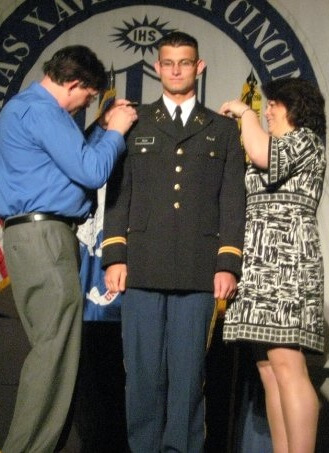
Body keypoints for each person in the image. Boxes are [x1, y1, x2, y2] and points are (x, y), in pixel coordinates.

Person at [102, 31, 246, 452]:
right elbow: (118, 194)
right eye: (168, 63)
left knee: (187, 377)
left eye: (185, 62)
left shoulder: (221, 129)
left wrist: (227, 263)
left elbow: (232, 200)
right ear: (158, 67)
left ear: (198, 67)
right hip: (143, 265)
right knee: (143, 375)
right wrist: (115, 255)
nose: (177, 69)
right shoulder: (134, 123)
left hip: (200, 268)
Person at [0, 45, 137, 453]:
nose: (86, 104)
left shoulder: (29, 110)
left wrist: (97, 130)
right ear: (74, 84)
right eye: (89, 97)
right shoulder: (43, 112)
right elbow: (91, 170)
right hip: (45, 239)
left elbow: (63, 163)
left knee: (55, 353)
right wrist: (116, 131)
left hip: (34, 238)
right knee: (54, 355)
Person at [220, 77, 326, 453]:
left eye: (274, 104)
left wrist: (245, 113)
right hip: (257, 265)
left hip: (286, 265)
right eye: (265, 105)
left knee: (288, 368)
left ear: (296, 107)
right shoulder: (272, 143)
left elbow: (266, 156)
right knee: (269, 371)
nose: (267, 110)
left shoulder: (306, 141)